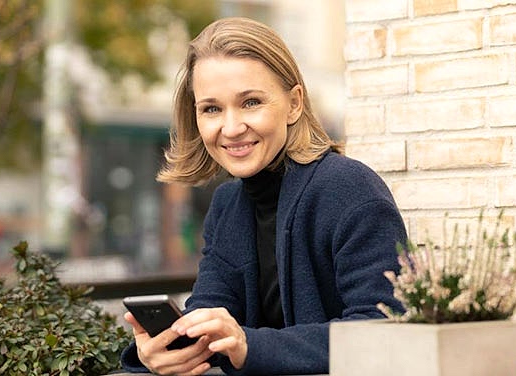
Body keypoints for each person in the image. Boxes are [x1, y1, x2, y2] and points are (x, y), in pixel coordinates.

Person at [121, 16, 406, 375]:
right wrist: (161, 350)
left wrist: (247, 345)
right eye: (211, 108)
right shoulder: (227, 205)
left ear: (294, 104)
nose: (231, 127)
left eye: (251, 102)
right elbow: (211, 309)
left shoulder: (349, 188)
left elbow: (383, 329)